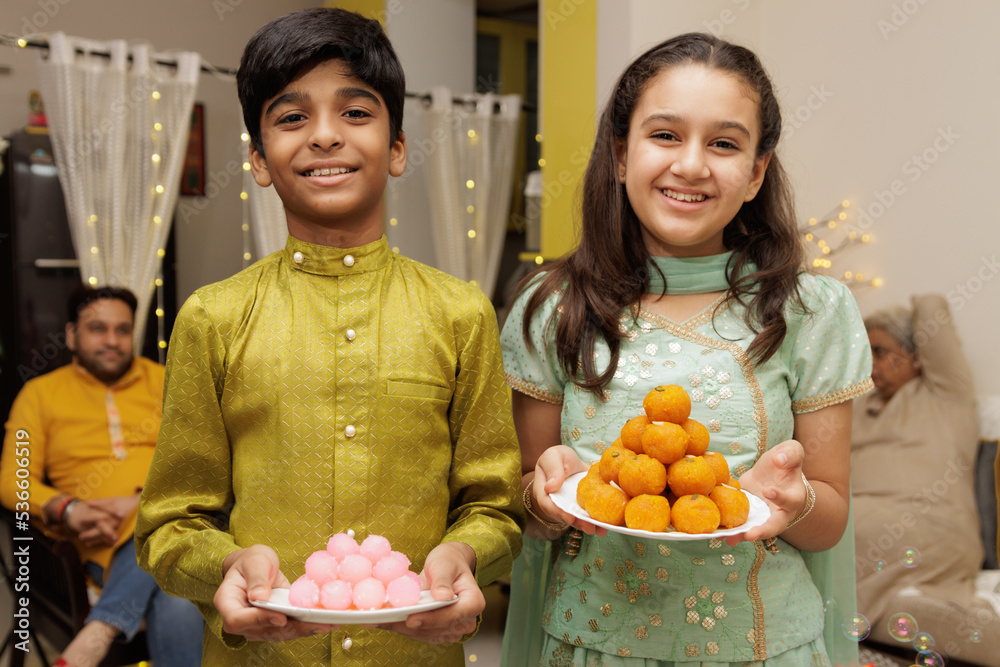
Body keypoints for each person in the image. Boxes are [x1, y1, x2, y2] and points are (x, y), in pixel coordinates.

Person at [134, 7, 524, 666]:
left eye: (356, 112)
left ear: (398, 147)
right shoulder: (212, 317)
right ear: (259, 159)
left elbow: (494, 505)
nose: (323, 136)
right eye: (291, 118)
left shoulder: (461, 313)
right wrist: (225, 563)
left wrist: (465, 555)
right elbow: (170, 524)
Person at [499, 33, 873, 666]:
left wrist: (790, 500)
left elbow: (830, 515)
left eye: (724, 144)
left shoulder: (813, 310)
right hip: (591, 644)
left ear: (756, 172)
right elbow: (528, 507)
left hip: (763, 649)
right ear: (621, 155)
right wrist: (542, 493)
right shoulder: (553, 306)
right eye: (665, 135)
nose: (693, 165)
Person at [0, 285, 203, 667]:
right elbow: (13, 480)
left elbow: (202, 462)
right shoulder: (39, 395)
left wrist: (141, 503)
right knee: (179, 592)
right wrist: (68, 509)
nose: (112, 340)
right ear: (73, 335)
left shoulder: (167, 382)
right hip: (98, 543)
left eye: (122, 330)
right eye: (98, 328)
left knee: (175, 576)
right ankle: (105, 624)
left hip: (182, 523)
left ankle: (101, 629)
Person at [852, 294, 999, 666]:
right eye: (866, 351)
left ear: (915, 354)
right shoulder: (861, 406)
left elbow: (932, 307)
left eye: (880, 350)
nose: (871, 363)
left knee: (836, 534)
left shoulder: (946, 393)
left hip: (931, 523)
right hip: (864, 515)